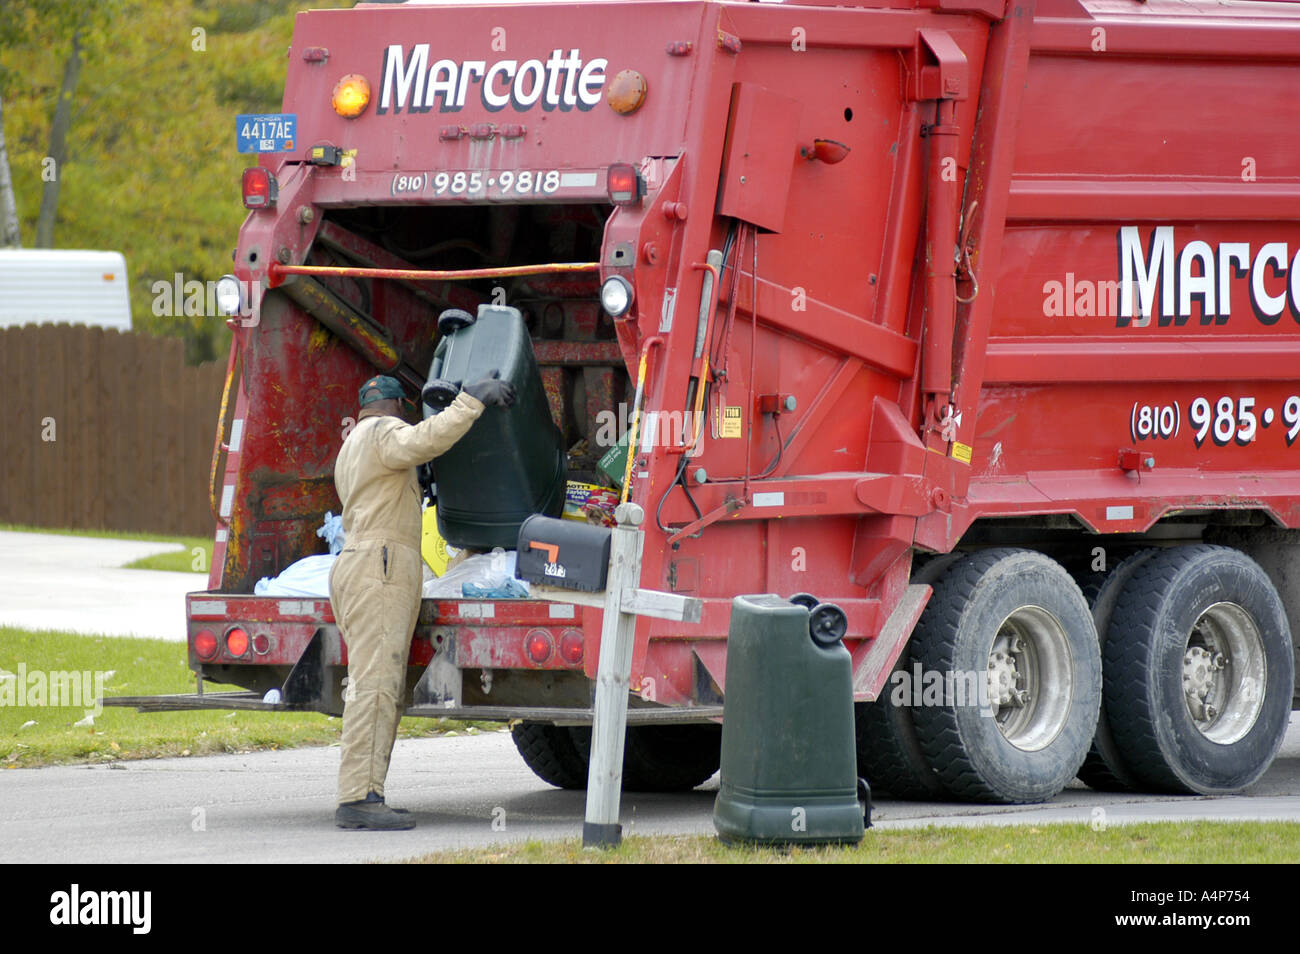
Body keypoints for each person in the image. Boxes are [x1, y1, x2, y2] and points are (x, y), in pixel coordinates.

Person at [331, 371, 516, 830]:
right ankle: (359, 798)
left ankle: (367, 791)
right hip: (381, 565)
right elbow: (423, 441)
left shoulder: (352, 442)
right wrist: (470, 401)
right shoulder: (383, 432)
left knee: (375, 685)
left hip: (358, 561)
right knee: (375, 686)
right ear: (396, 407)